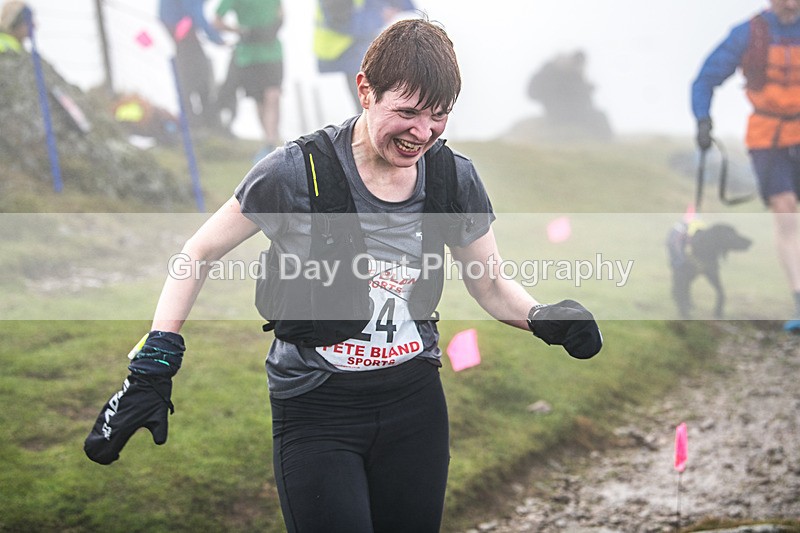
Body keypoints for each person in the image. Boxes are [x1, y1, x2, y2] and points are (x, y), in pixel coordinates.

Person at [84, 18, 602, 532]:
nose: (422, 133)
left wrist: (541, 317)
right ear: (365, 90)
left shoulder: (452, 177)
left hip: (414, 404)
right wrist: (154, 362)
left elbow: (489, 285)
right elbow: (196, 254)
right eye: (407, 112)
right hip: (315, 411)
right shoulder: (293, 172)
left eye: (439, 116)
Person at [691, 0, 800, 332]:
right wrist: (703, 120)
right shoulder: (750, 33)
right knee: (786, 210)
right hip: (768, 137)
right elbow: (704, 79)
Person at [314, 0, 415, 111]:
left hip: (364, 51)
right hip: (344, 55)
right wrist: (380, 17)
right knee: (369, 108)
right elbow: (341, 20)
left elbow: (405, 6)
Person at [214, 0, 283, 158]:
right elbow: (217, 19)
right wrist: (241, 31)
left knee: (273, 95)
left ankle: (272, 140)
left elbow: (281, 11)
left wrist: (276, 25)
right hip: (248, 56)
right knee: (259, 101)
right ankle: (268, 141)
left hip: (273, 53)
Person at [159, 0, 224, 129]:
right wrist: (216, 38)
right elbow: (196, 14)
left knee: (190, 74)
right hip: (182, 29)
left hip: (176, 26)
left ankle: (197, 122)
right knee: (199, 77)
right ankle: (202, 123)